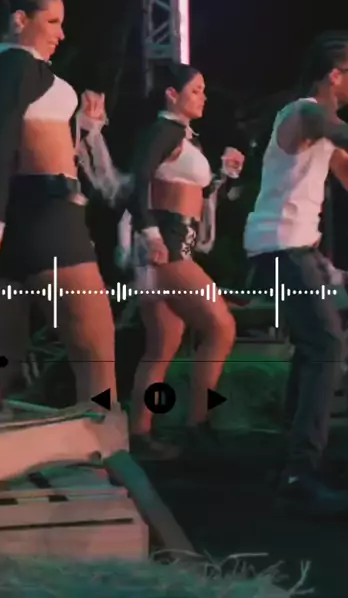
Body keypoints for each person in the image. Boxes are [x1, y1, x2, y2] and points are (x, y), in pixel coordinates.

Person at [244, 30, 348, 514]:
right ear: (335, 75)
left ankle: (295, 459)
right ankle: (300, 471)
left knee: (315, 347)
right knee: (326, 345)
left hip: (295, 250)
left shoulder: (322, 123)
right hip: (281, 249)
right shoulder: (307, 113)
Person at [0, 0, 126, 419]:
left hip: (18, 218)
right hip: (47, 217)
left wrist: (86, 128)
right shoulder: (18, 64)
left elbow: (33, 138)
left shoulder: (21, 70)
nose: (61, 33)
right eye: (52, 21)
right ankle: (107, 452)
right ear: (21, 20)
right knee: (95, 355)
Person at [122, 63, 245, 458]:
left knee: (163, 344)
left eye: (204, 90)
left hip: (173, 243)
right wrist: (151, 235)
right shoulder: (165, 130)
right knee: (221, 326)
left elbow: (189, 194)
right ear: (171, 95)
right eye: (195, 90)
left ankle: (140, 434)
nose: (203, 97)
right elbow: (138, 183)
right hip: (167, 246)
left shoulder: (181, 136)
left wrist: (222, 177)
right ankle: (198, 424)